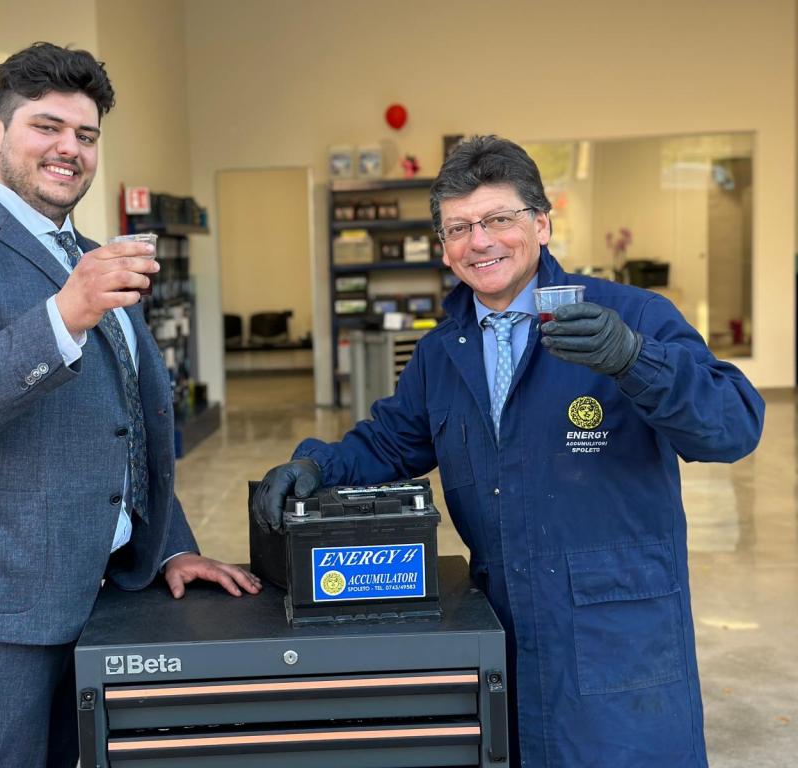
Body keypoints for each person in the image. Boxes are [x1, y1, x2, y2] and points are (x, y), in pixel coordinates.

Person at [252, 135, 763, 767]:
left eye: (498, 219)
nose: (479, 241)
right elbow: (390, 440)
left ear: (541, 224)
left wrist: (635, 359)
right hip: (503, 629)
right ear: (444, 247)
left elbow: (732, 427)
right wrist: (316, 465)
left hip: (617, 636)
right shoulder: (444, 352)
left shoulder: (632, 315)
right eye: (458, 228)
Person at [0, 42, 260, 768]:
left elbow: (123, 423)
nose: (68, 148)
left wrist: (172, 545)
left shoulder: (86, 254)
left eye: (85, 134)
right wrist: (62, 316)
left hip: (88, 596)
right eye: (46, 126)